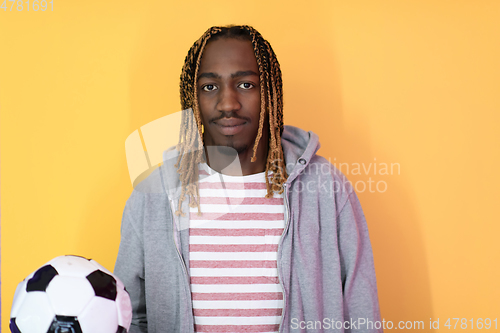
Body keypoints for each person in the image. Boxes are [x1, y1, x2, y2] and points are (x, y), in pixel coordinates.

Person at [114, 25, 383, 333]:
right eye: (210, 87)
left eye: (245, 84)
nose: (228, 103)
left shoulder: (324, 188)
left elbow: (362, 313)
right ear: (193, 97)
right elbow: (127, 316)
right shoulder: (156, 194)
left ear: (269, 91)